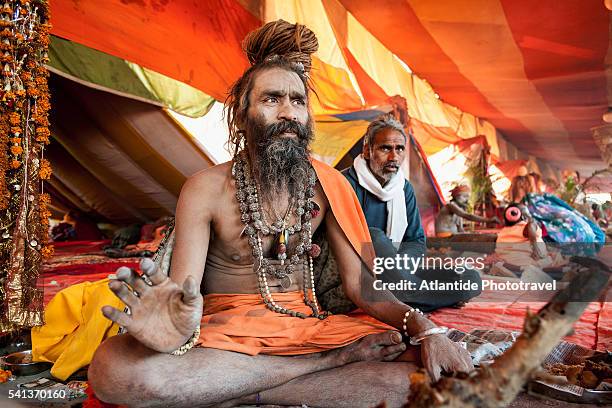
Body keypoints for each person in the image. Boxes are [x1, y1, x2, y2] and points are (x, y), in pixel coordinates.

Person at [88, 20, 472, 407]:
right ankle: (324, 367)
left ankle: (230, 390)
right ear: (242, 116)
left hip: (310, 327)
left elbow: (363, 290)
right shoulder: (205, 188)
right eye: (272, 99)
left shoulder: (329, 185)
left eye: (298, 101)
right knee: (115, 371)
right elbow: (183, 293)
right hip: (226, 339)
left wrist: (426, 329)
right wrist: (174, 326)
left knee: (438, 373)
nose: (288, 112)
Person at [343, 115, 481, 311]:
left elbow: (416, 240)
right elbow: (345, 244)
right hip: (359, 274)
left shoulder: (403, 188)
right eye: (385, 148)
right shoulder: (345, 183)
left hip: (398, 272)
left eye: (399, 149)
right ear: (367, 150)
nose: (394, 157)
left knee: (470, 278)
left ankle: (407, 297)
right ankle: (419, 297)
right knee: (373, 236)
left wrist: (401, 266)